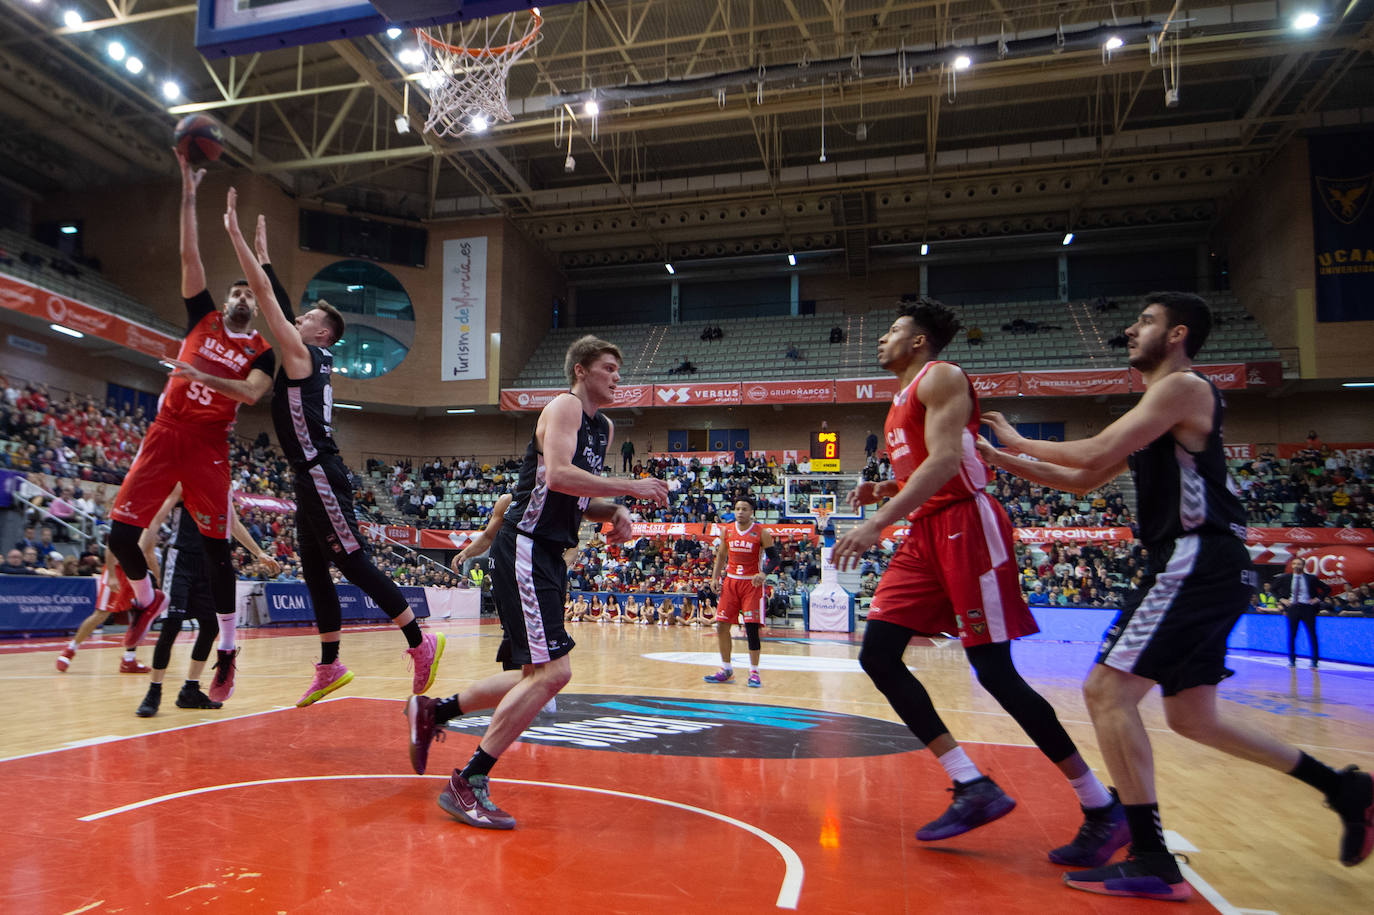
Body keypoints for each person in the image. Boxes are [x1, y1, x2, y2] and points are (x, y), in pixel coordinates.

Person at [979, 292, 1374, 899]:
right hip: (1208, 564)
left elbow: (1091, 451)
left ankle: (1151, 856)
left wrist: (1014, 440)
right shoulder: (1158, 409)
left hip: (1195, 556)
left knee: (1106, 691)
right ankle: (1344, 788)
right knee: (1192, 719)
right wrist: (997, 458)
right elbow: (1083, 479)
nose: (1130, 330)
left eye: (1145, 321)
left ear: (1177, 334)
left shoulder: (1183, 388)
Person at [831, 296, 1125, 869]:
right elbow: (932, 467)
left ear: (919, 341)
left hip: (967, 524)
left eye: (893, 330)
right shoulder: (899, 400)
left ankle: (1099, 804)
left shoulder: (941, 377)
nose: (882, 338)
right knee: (879, 655)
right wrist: (886, 489)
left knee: (994, 672)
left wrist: (875, 521)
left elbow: (946, 464)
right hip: (925, 532)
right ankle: (971, 783)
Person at [405, 334, 667, 828]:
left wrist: (616, 511)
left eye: (619, 369)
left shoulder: (603, 427)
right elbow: (559, 477)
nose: (617, 377)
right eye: (609, 368)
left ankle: (435, 712)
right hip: (525, 545)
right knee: (553, 675)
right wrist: (630, 486)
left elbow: (578, 500)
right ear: (581, 370)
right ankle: (468, 780)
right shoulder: (565, 407)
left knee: (535, 675)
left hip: (547, 553)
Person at [222, 199, 443, 707]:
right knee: (315, 569)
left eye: (307, 317)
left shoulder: (303, 354)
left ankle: (420, 641)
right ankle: (329, 665)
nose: (296, 318)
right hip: (307, 477)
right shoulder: (308, 353)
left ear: (322, 333)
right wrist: (266, 258)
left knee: (354, 563)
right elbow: (279, 304)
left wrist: (238, 239)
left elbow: (267, 301)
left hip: (320, 473)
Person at [105, 151, 276, 706]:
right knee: (120, 536)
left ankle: (227, 648)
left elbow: (251, 394)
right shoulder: (201, 316)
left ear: (257, 305)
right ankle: (146, 599)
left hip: (208, 445)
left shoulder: (262, 350)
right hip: (166, 431)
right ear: (225, 301)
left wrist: (201, 375)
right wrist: (187, 192)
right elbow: (189, 254)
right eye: (237, 293)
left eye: (250, 294)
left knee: (217, 550)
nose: (243, 297)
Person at [135, 485, 282, 717]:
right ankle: (154, 691)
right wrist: (144, 547)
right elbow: (157, 517)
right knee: (171, 625)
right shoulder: (184, 482)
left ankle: (190, 689)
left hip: (208, 561)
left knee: (210, 625)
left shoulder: (223, 486)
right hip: (180, 558)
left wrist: (259, 553)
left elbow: (233, 524)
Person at [704, 497, 777, 688]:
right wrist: (715, 578)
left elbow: (775, 559)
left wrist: (764, 573)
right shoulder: (727, 530)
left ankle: (754, 672)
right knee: (721, 626)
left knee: (751, 629)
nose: (740, 512)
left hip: (751, 584)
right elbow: (721, 555)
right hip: (731, 582)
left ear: (751, 512)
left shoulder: (762, 533)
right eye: (737, 508)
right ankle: (726, 669)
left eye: (744, 509)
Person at [54, 548, 153, 673]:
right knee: (101, 614)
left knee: (139, 612)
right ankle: (70, 650)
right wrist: (111, 575)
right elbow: (111, 547)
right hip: (117, 570)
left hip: (135, 572)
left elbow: (148, 551)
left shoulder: (147, 536)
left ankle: (129, 659)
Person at [1273, 558, 1332, 668]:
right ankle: (1292, 660)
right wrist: (1282, 599)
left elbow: (1327, 588)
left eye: (1299, 564)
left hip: (1308, 608)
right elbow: (1273, 589)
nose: (1296, 566)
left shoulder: (1311, 578)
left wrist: (1317, 599)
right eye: (1294, 564)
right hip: (1293, 607)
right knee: (1292, 634)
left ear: (1303, 566)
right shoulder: (1286, 578)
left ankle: (1315, 661)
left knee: (1312, 634)